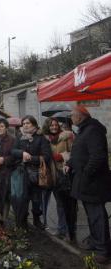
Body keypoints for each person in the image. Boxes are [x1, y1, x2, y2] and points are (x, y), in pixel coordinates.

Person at [65, 105, 111, 264]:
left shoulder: (93, 130)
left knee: (97, 216)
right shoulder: (84, 130)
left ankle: (103, 250)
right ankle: (94, 240)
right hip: (86, 181)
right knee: (92, 215)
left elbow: (97, 157)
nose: (70, 117)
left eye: (72, 115)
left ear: (81, 115)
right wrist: (70, 163)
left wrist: (84, 175)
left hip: (93, 182)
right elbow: (80, 152)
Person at [11, 115, 52, 230]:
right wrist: (21, 153)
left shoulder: (41, 138)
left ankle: (36, 220)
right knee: (22, 198)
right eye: (23, 124)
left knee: (36, 198)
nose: (25, 125)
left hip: (36, 172)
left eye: (28, 123)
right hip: (22, 172)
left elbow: (47, 156)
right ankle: (23, 221)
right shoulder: (20, 137)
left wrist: (30, 158)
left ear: (34, 124)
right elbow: (13, 151)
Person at [42, 117, 76, 241]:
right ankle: (45, 226)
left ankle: (65, 230)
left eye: (56, 125)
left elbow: (73, 152)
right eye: (51, 126)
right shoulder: (44, 139)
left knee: (62, 203)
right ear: (47, 127)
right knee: (46, 202)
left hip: (62, 173)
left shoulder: (66, 136)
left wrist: (62, 156)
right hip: (48, 174)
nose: (54, 127)